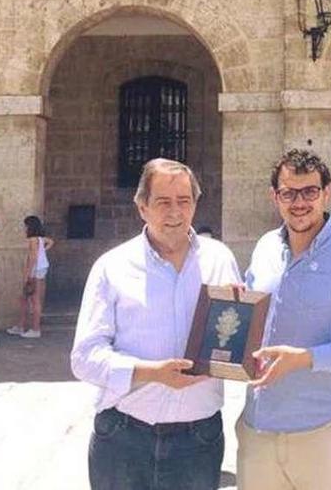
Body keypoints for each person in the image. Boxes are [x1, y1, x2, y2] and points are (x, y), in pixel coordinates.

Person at [71, 158, 241, 490]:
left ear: (195, 204)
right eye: (163, 202)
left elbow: (232, 343)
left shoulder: (220, 259)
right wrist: (151, 373)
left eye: (184, 201)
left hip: (198, 438)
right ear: (142, 207)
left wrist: (244, 326)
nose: (175, 212)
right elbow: (84, 358)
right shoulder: (112, 267)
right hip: (123, 437)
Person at [239, 149, 331, 490]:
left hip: (325, 433)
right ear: (274, 196)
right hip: (259, 430)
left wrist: (306, 359)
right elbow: (251, 324)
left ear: (326, 192)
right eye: (289, 193)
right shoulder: (264, 248)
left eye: (309, 191)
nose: (299, 202)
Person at [7, 216, 54, 339]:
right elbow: (51, 242)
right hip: (41, 268)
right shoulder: (40, 238)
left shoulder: (33, 239)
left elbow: (32, 258)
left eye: (26, 225)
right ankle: (21, 325)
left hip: (35, 270)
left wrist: (27, 274)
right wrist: (43, 251)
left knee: (34, 299)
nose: (24, 228)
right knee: (25, 298)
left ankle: (35, 329)